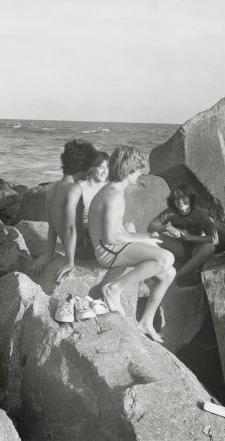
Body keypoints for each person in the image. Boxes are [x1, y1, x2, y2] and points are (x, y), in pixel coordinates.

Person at [89, 145, 175, 342]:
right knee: (166, 258)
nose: (141, 174)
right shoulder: (113, 194)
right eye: (138, 170)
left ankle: (145, 322)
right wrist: (145, 238)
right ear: (128, 171)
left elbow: (119, 228)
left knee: (169, 272)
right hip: (107, 251)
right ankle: (114, 289)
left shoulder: (114, 190)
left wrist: (143, 237)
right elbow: (111, 237)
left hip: (112, 246)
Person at [36, 139, 98, 283]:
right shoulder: (74, 189)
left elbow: (52, 228)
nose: (92, 171)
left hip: (72, 247)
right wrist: (69, 262)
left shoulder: (52, 189)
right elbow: (70, 228)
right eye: (91, 166)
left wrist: (48, 256)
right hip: (83, 249)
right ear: (82, 166)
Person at [148, 183, 217, 286]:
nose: (180, 202)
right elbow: (150, 227)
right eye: (176, 199)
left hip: (196, 249)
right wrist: (167, 227)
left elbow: (214, 239)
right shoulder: (170, 212)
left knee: (209, 248)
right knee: (154, 235)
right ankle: (152, 273)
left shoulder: (199, 213)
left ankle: (175, 277)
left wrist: (191, 238)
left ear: (191, 198)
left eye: (183, 197)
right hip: (180, 248)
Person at [75, 150, 109, 259]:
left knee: (129, 226)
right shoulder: (79, 188)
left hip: (107, 232)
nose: (105, 171)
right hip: (88, 239)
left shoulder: (109, 188)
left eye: (107, 168)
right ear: (92, 167)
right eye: (101, 167)